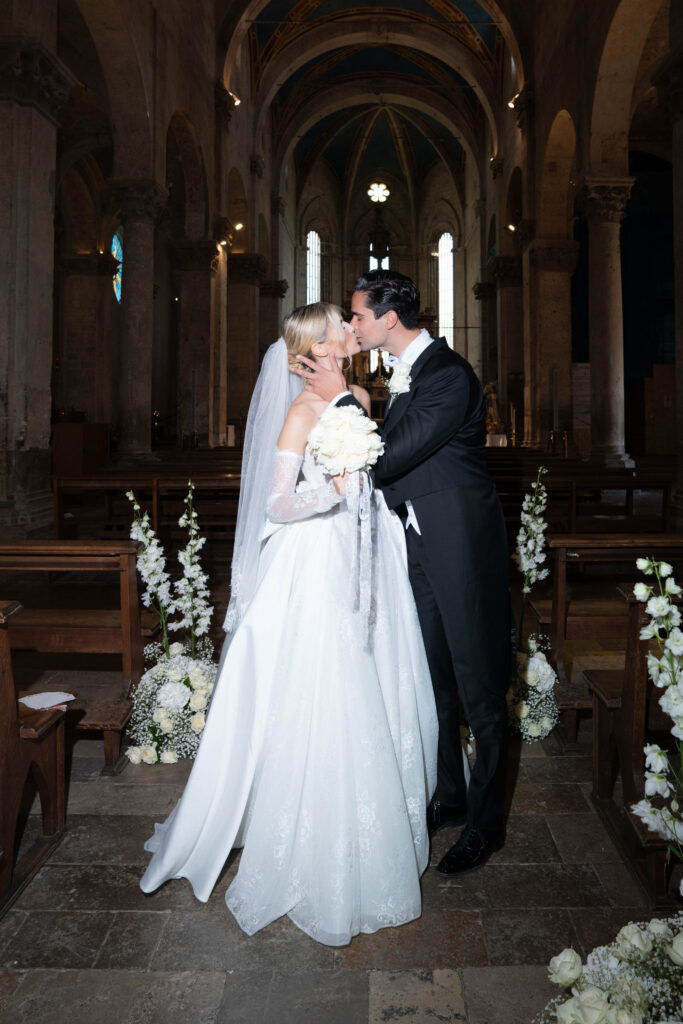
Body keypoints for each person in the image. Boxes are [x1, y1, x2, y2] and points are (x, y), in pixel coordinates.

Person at [139, 302, 438, 947]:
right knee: (323, 685)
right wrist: (333, 493)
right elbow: (277, 500)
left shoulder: (357, 392)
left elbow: (375, 463)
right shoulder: (301, 408)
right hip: (312, 560)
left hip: (366, 551)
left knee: (378, 672)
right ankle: (305, 837)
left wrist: (364, 492)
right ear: (315, 343)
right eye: (340, 325)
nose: (349, 331)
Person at [295, 271, 510, 876]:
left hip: (461, 550)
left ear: (390, 319)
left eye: (358, 317)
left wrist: (339, 395)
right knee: (434, 676)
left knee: (481, 691)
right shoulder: (405, 372)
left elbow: (388, 456)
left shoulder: (446, 376)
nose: (352, 326)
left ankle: (486, 826)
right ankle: (449, 793)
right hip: (416, 545)